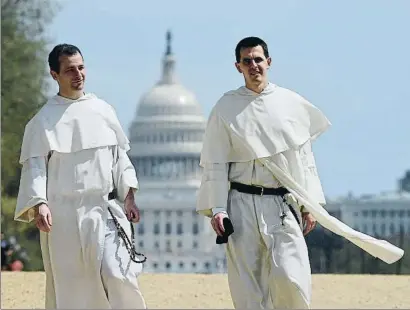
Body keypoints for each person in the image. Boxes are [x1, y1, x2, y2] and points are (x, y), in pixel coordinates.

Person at [196, 36, 404, 309]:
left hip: (281, 204)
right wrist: (219, 208)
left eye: (258, 60)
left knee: (290, 276)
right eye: (247, 61)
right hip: (241, 204)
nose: (253, 66)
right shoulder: (225, 107)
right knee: (247, 285)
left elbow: (304, 160)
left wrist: (310, 206)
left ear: (268, 62)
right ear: (238, 67)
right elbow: (216, 162)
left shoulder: (289, 104)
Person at [14, 44, 147, 309]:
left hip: (104, 210)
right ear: (55, 75)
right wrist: (39, 203)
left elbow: (120, 159)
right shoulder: (42, 122)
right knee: (75, 291)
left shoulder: (104, 110)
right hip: (64, 217)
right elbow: (35, 168)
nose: (78, 74)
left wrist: (129, 197)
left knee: (119, 274)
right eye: (70, 70)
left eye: (81, 67)